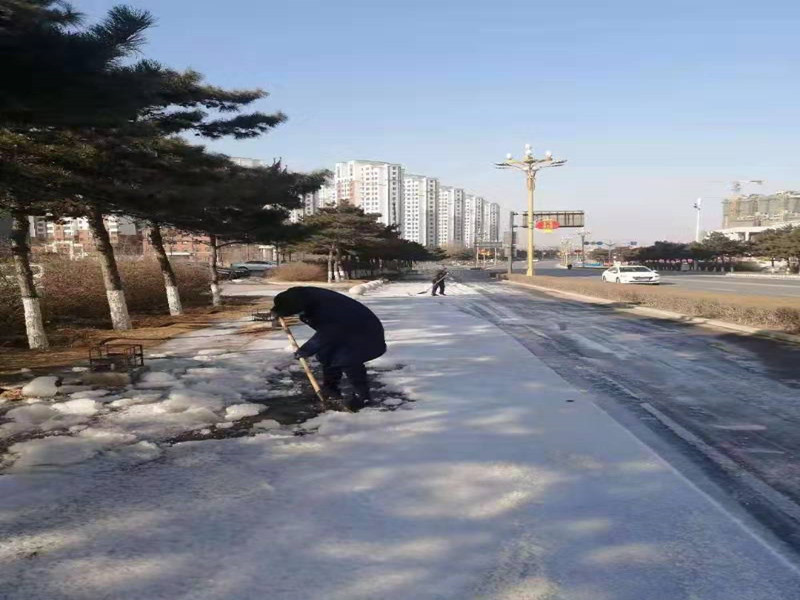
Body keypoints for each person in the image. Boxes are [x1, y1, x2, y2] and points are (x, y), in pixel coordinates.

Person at [271, 286, 386, 411]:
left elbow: (328, 332)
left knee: (348, 360)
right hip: (344, 329)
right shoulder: (302, 297)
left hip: (363, 332)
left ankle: (362, 396)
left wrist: (307, 349)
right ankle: (330, 389)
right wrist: (277, 311)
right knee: (327, 355)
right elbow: (285, 303)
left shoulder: (323, 308)